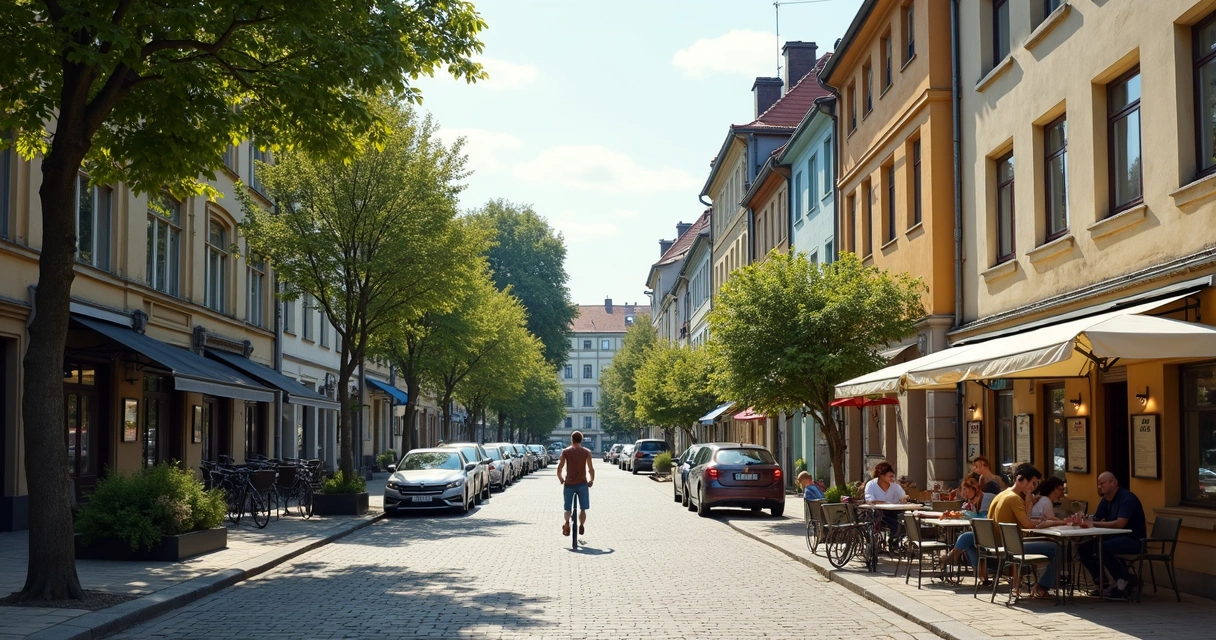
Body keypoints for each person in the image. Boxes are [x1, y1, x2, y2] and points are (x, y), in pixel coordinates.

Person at [985, 463, 1058, 599]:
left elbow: (1025, 521)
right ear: (1021, 479)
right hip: (1013, 547)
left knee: (1051, 545)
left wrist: (1029, 503)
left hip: (1000, 544)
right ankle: (1042, 586)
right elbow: (1028, 525)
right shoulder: (1014, 498)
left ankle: (1030, 585)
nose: (1033, 488)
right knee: (1057, 548)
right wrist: (1045, 524)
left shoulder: (1002, 494)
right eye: (1033, 483)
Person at [1078, 472, 1146, 599]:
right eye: (1098, 484)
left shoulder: (1127, 498)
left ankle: (1123, 582)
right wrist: (1084, 519)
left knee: (1102, 547)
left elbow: (1120, 524)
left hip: (1134, 539)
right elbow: (1096, 517)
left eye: (1102, 484)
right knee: (1083, 548)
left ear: (1114, 483)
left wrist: (1093, 524)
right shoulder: (1106, 499)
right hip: (1115, 537)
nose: (1099, 487)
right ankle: (1102, 581)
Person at [556, 430, 595, 537]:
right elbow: (590, 469)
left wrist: (561, 479)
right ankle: (581, 524)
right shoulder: (586, 452)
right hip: (582, 483)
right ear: (581, 440)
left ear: (571, 439)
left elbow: (559, 468)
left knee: (567, 508)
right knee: (583, 508)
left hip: (569, 483)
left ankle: (567, 522)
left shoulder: (566, 452)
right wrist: (591, 480)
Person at [864, 461, 907, 542]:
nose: (892, 479)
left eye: (893, 476)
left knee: (906, 521)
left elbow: (903, 497)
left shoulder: (895, 486)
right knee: (895, 523)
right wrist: (886, 503)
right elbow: (870, 501)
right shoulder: (871, 485)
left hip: (894, 512)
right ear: (882, 476)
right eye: (890, 476)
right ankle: (892, 542)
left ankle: (896, 541)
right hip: (878, 513)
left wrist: (904, 499)